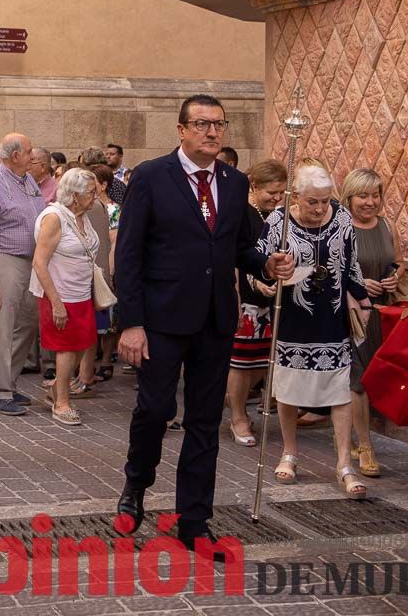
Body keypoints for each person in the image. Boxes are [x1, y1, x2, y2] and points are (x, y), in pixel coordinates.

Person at [114, 94, 293, 556]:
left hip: (215, 320)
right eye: (202, 124)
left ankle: (194, 520)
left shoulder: (234, 183)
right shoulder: (152, 177)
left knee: (203, 422)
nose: (212, 132)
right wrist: (131, 324)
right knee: (155, 411)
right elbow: (129, 255)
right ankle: (136, 484)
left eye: (219, 124)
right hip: (160, 320)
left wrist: (266, 262)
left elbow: (239, 246)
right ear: (181, 130)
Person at [259, 165, 373, 499]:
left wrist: (363, 302)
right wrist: (265, 281)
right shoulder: (278, 222)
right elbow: (263, 263)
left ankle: (343, 464)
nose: (320, 208)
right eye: (312, 202)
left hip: (332, 317)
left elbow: (351, 265)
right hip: (292, 318)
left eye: (325, 201)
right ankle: (290, 452)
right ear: (296, 196)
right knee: (289, 390)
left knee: (339, 390)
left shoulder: (342, 221)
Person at [0, 133, 48, 416]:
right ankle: (0, 390)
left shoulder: (27, 180)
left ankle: (9, 380)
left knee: (28, 323)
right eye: (29, 151)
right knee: (4, 325)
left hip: (31, 261)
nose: (33, 156)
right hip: (5, 258)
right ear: (14, 155)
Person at [341, 167, 400, 477]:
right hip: (354, 313)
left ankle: (354, 436)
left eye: (375, 195)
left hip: (383, 312)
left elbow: (398, 263)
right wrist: (359, 281)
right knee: (359, 378)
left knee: (375, 375)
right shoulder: (341, 228)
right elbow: (330, 271)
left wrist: (393, 279)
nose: (369, 201)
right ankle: (365, 446)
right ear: (349, 198)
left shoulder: (387, 225)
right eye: (363, 195)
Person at [225, 159, 286, 446]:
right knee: (242, 362)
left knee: (264, 361)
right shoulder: (242, 213)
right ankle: (238, 416)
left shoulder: (279, 215)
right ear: (255, 187)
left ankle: (231, 399)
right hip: (248, 299)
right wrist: (254, 282)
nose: (276, 199)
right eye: (271, 193)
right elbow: (235, 257)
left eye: (281, 194)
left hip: (275, 297)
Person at [31, 168, 99, 425]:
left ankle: (57, 390)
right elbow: (39, 262)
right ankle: (62, 403)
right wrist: (56, 303)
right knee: (66, 348)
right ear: (74, 195)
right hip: (59, 294)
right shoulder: (55, 217)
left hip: (81, 293)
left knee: (82, 344)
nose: (96, 197)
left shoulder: (81, 216)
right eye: (91, 192)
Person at [87, 164, 122, 384]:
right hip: (88, 268)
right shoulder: (86, 206)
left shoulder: (114, 210)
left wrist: (109, 273)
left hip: (105, 267)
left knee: (109, 318)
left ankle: (107, 360)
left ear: (103, 184)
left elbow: (114, 243)